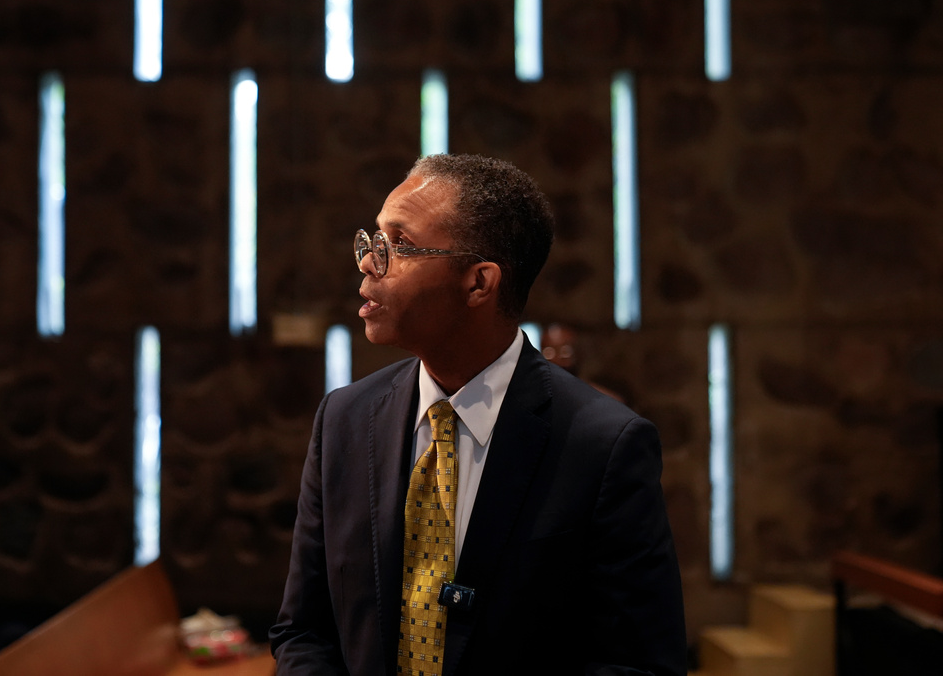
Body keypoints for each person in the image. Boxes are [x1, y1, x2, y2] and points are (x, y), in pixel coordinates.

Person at [269, 154, 687, 676]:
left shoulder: (603, 444)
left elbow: (639, 663)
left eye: (398, 245)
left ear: (478, 283)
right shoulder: (344, 421)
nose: (368, 263)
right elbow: (305, 629)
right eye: (372, 240)